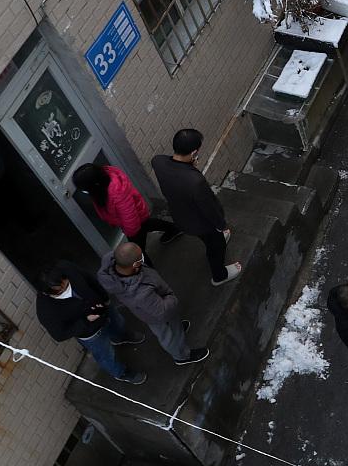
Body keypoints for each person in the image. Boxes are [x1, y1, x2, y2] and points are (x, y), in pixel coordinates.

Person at [152, 129, 241, 286]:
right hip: (201, 223)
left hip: (180, 216)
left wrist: (188, 163)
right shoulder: (195, 181)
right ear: (194, 152)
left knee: (208, 239)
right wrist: (220, 225)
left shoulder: (158, 161)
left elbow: (174, 167)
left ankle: (216, 240)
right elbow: (209, 208)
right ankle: (219, 275)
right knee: (216, 245)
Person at [97, 242, 210, 366]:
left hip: (150, 308)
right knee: (168, 336)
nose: (143, 258)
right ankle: (182, 356)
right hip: (157, 315)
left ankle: (177, 329)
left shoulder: (113, 266)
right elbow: (163, 311)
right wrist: (171, 297)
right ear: (135, 265)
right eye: (141, 257)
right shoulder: (139, 293)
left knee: (173, 324)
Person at [35, 261, 147, 385]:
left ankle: (120, 337)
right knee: (106, 355)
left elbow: (89, 278)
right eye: (59, 291)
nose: (65, 289)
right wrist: (85, 321)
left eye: (66, 284)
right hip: (91, 334)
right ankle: (120, 373)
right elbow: (59, 334)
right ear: (46, 293)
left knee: (118, 323)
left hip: (104, 309)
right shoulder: (45, 310)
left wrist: (104, 298)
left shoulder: (66, 268)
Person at [71, 164, 182, 263]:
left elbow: (129, 216)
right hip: (137, 217)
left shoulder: (116, 193)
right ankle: (174, 229)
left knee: (136, 252)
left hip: (133, 223)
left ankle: (149, 274)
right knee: (148, 224)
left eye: (85, 189)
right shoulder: (105, 182)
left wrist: (131, 234)